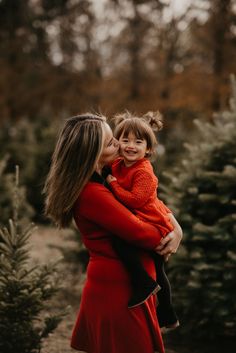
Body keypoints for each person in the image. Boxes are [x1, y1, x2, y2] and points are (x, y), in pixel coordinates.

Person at [44, 113, 182, 353]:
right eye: (111, 142)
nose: (120, 144)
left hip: (127, 284)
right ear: (92, 153)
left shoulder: (110, 173)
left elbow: (149, 201)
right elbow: (144, 234)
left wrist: (176, 228)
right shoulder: (93, 194)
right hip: (119, 290)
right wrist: (168, 231)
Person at [106, 111, 180, 328]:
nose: (130, 146)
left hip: (153, 223)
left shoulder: (144, 172)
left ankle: (154, 295)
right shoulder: (118, 165)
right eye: (125, 140)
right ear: (116, 142)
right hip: (140, 220)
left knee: (155, 268)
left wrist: (113, 184)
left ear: (148, 149)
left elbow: (136, 201)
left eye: (138, 142)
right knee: (155, 267)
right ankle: (167, 314)